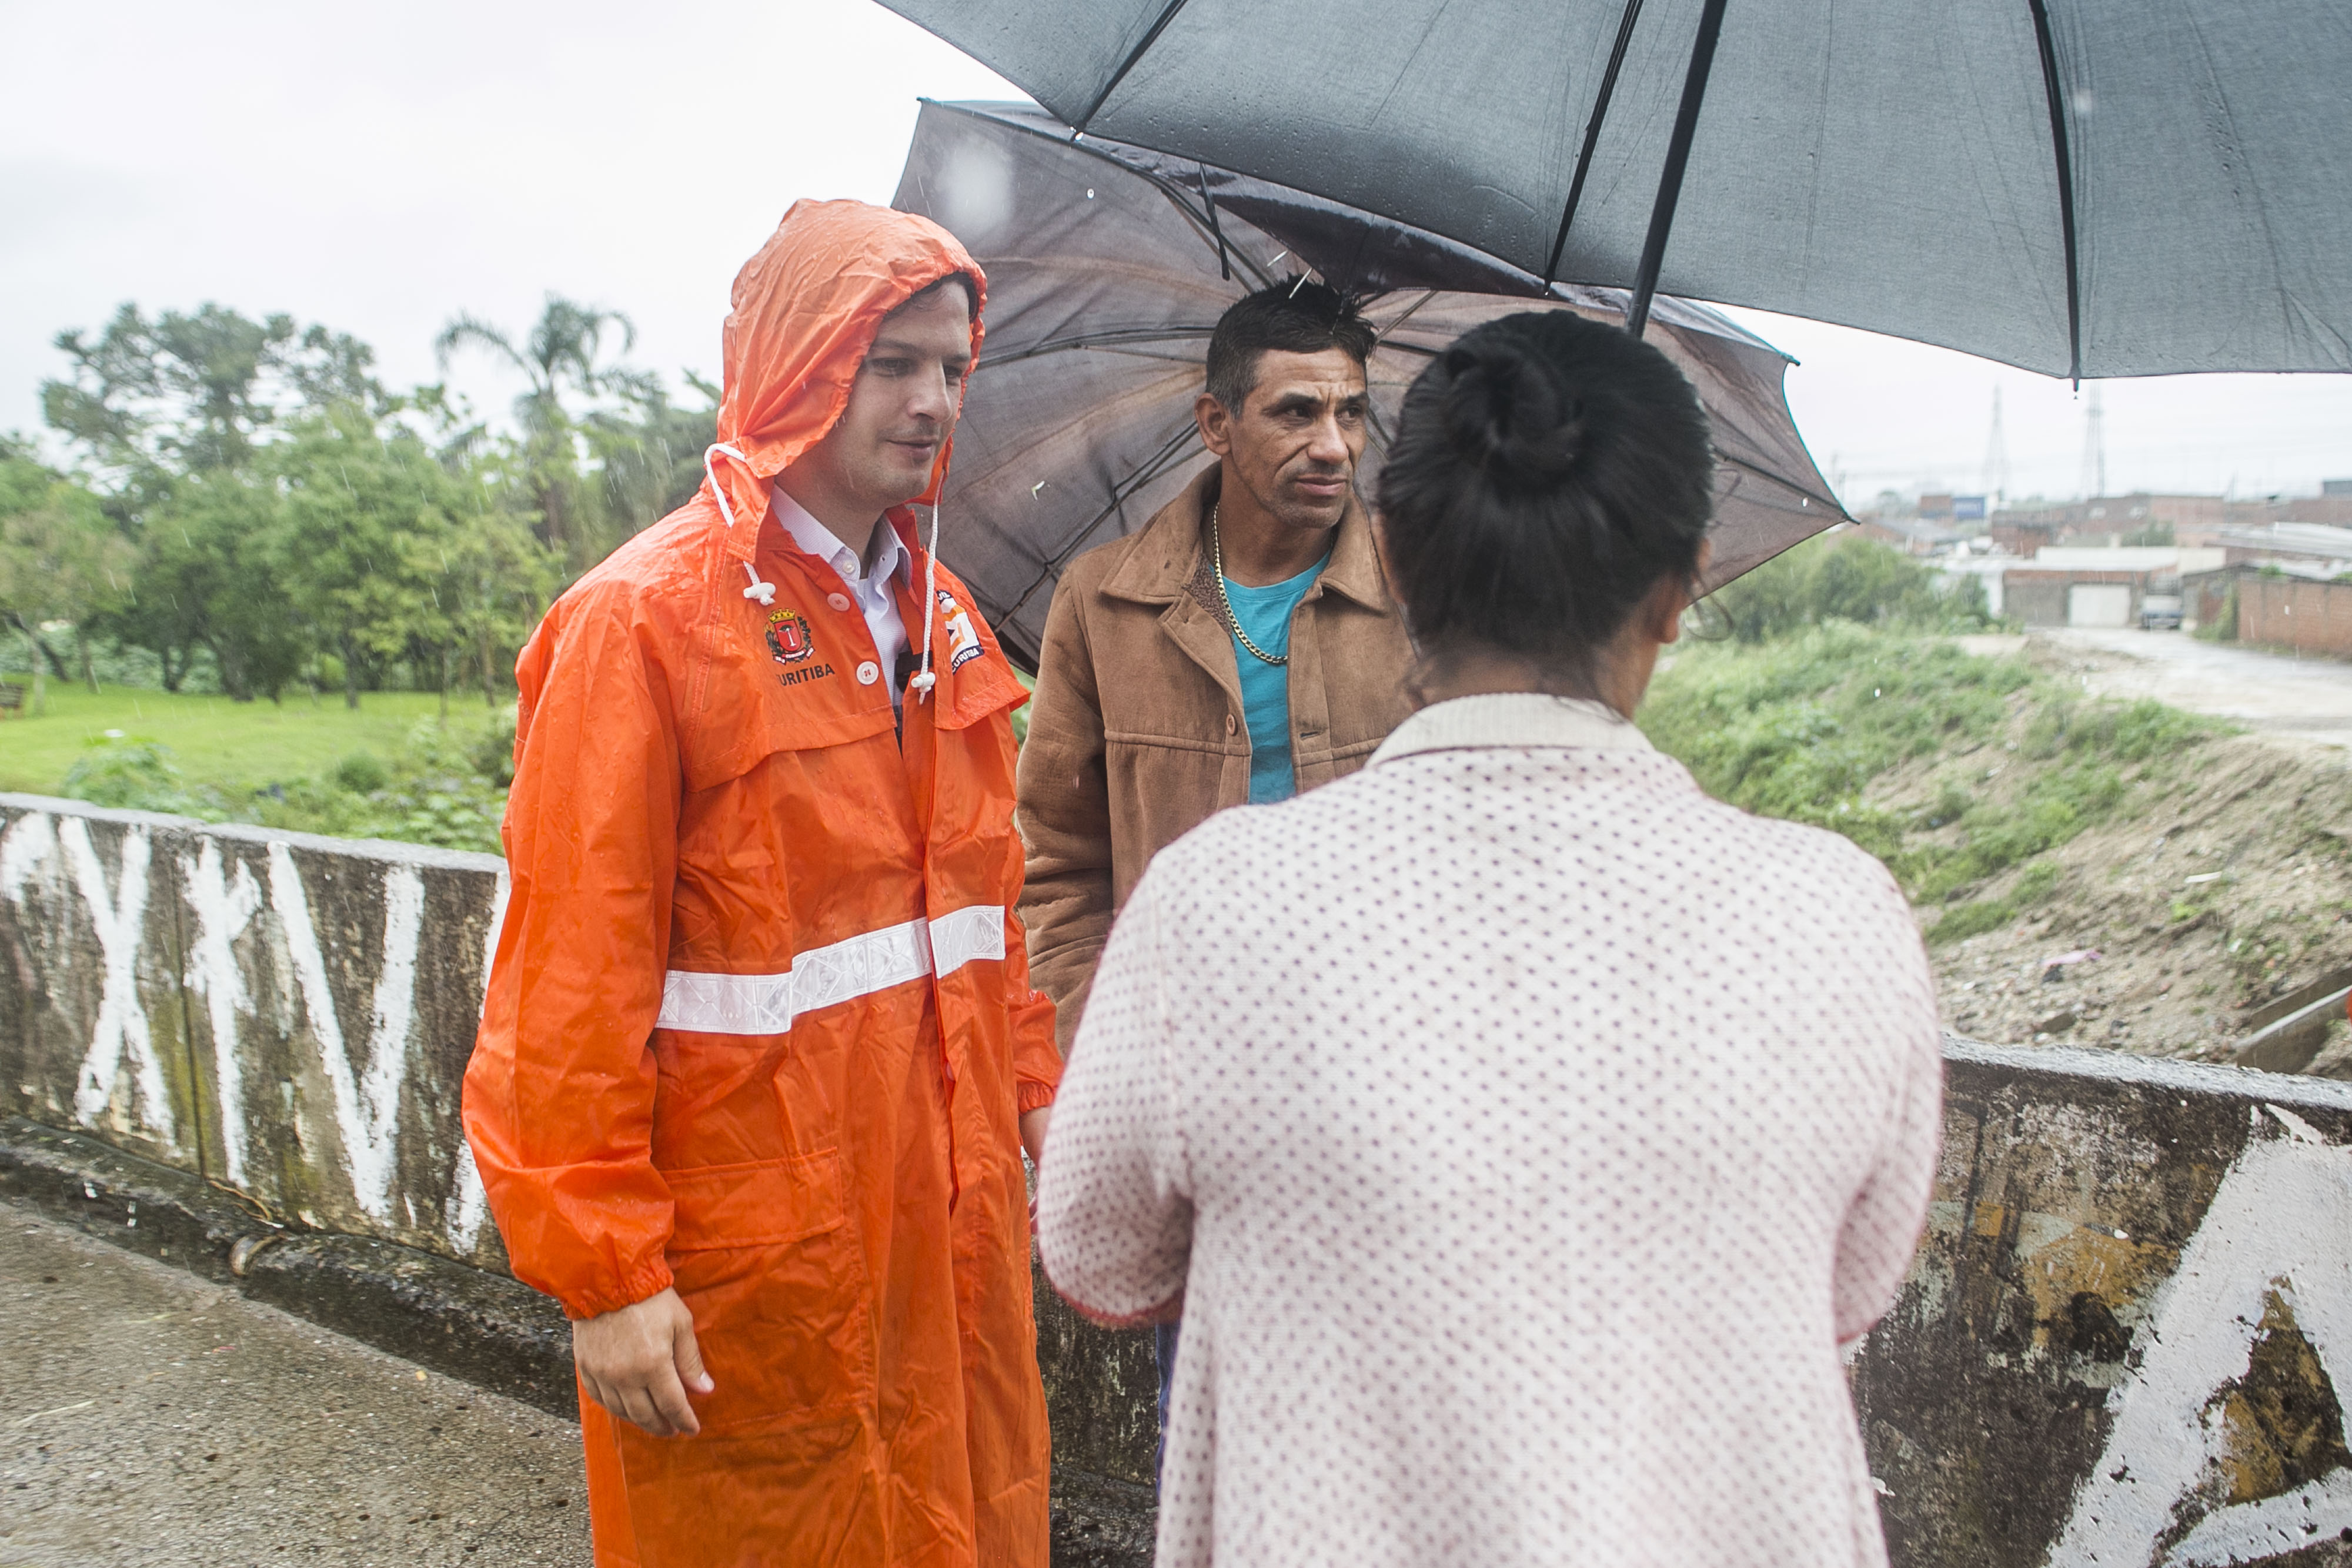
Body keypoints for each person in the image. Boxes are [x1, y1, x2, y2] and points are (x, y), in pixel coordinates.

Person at [1034, 309, 1944, 1567]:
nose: (1323, 440)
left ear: (1394, 557)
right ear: (1679, 589)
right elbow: (1845, 1289)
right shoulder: (1837, 910)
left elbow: (1099, 1246)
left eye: (1347, 417)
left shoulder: (1207, 906)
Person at [463, 199, 1061, 1568]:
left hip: (946, 1203)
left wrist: (1030, 1102)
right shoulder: (644, 619)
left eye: (953, 367)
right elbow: (568, 972)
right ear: (797, 362)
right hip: (758, 1236)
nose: (929, 400)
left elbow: (986, 914)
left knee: (965, 1511)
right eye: (890, 361)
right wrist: (605, 1274)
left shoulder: (939, 614)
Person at [1015, 276, 1414, 1467]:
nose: (1332, 444)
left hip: (1385, 1088)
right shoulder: (1104, 600)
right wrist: (1104, 1060)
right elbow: (1055, 865)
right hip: (1195, 1098)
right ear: (1213, 423)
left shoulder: (1426, 593)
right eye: (1294, 412)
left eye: (1350, 412)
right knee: (1216, 1432)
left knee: (1397, 1440)